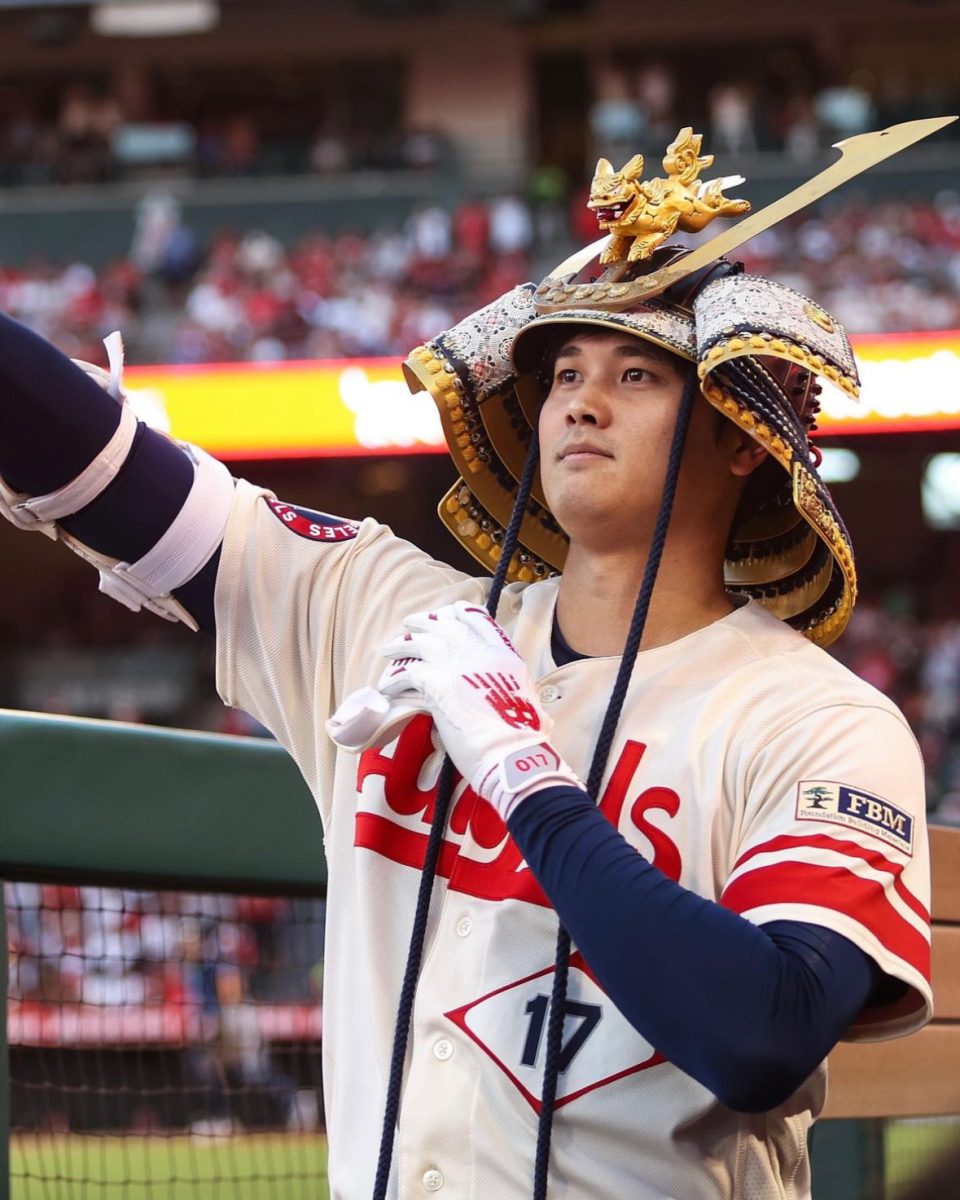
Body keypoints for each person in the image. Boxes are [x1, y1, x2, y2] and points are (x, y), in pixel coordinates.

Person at [0, 131, 932, 1200]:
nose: (580, 401)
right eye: (564, 373)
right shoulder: (390, 612)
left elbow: (762, 1035)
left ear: (737, 438)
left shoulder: (819, 718)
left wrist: (525, 779)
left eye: (637, 374)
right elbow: (128, 479)